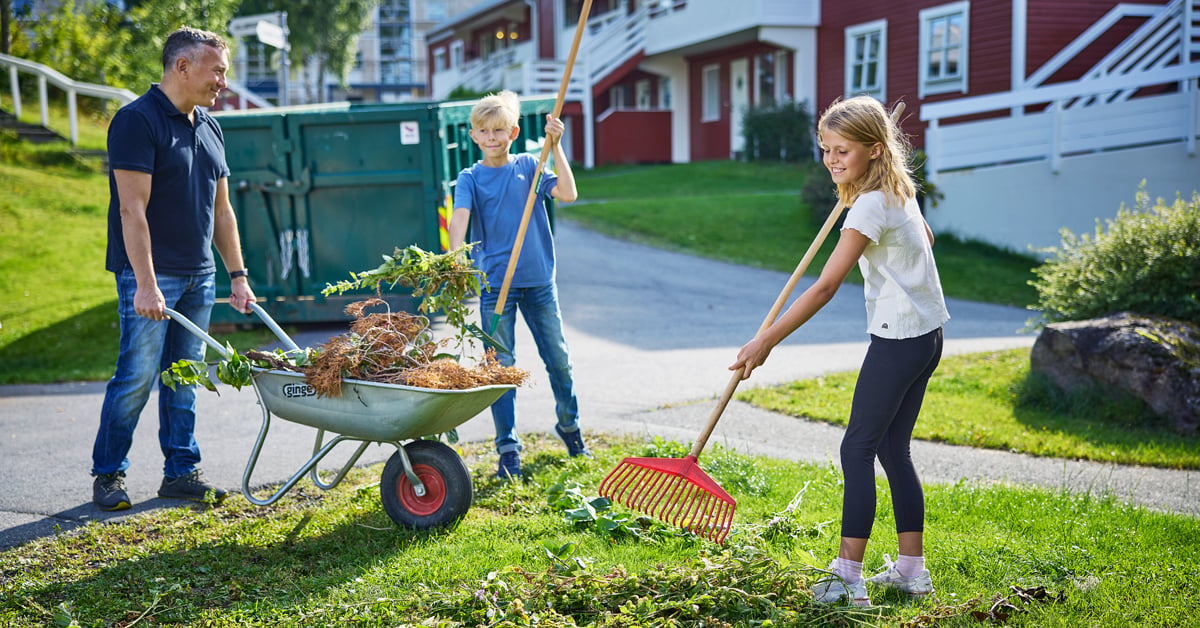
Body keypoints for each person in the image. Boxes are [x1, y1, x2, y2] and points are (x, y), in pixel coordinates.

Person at [729, 96, 950, 606]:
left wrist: (766, 340)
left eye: (842, 151)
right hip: (928, 334)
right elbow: (928, 240)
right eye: (826, 150)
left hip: (898, 339)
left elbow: (826, 286)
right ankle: (912, 572)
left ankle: (848, 576)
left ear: (875, 149)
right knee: (894, 449)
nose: (831, 159)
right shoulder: (898, 188)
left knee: (857, 447)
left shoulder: (871, 203)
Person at [91, 27, 256, 511]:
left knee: (185, 376)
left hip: (199, 274)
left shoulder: (210, 125)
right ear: (182, 66)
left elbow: (222, 212)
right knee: (137, 376)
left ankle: (181, 472)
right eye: (217, 70)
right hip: (151, 276)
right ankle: (108, 474)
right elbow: (131, 211)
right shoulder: (136, 122)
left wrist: (238, 276)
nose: (223, 80)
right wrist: (143, 283)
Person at [448, 90, 588, 480]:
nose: (491, 137)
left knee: (558, 358)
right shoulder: (470, 178)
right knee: (500, 369)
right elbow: (460, 217)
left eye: (498, 130)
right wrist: (454, 256)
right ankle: (508, 447)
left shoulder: (532, 164)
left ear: (512, 132)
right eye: (483, 131)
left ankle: (570, 426)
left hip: (539, 282)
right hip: (496, 288)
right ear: (474, 135)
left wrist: (556, 146)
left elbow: (569, 193)